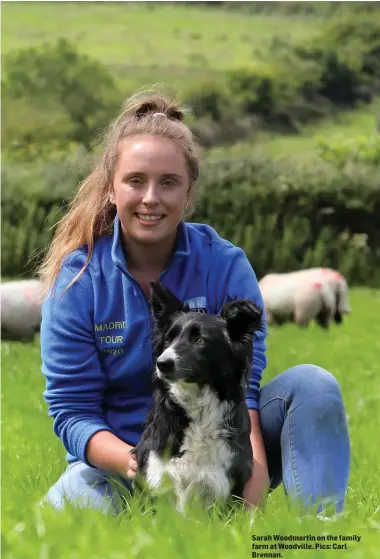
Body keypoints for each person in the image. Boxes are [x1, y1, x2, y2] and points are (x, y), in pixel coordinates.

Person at [39, 90, 350, 515]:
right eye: (135, 180)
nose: (151, 198)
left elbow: (247, 385)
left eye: (169, 182)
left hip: (221, 450)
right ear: (110, 189)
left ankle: (320, 532)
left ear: (189, 194)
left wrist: (252, 468)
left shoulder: (223, 262)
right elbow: (72, 410)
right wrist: (147, 469)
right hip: (126, 461)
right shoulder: (77, 281)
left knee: (314, 384)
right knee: (61, 518)